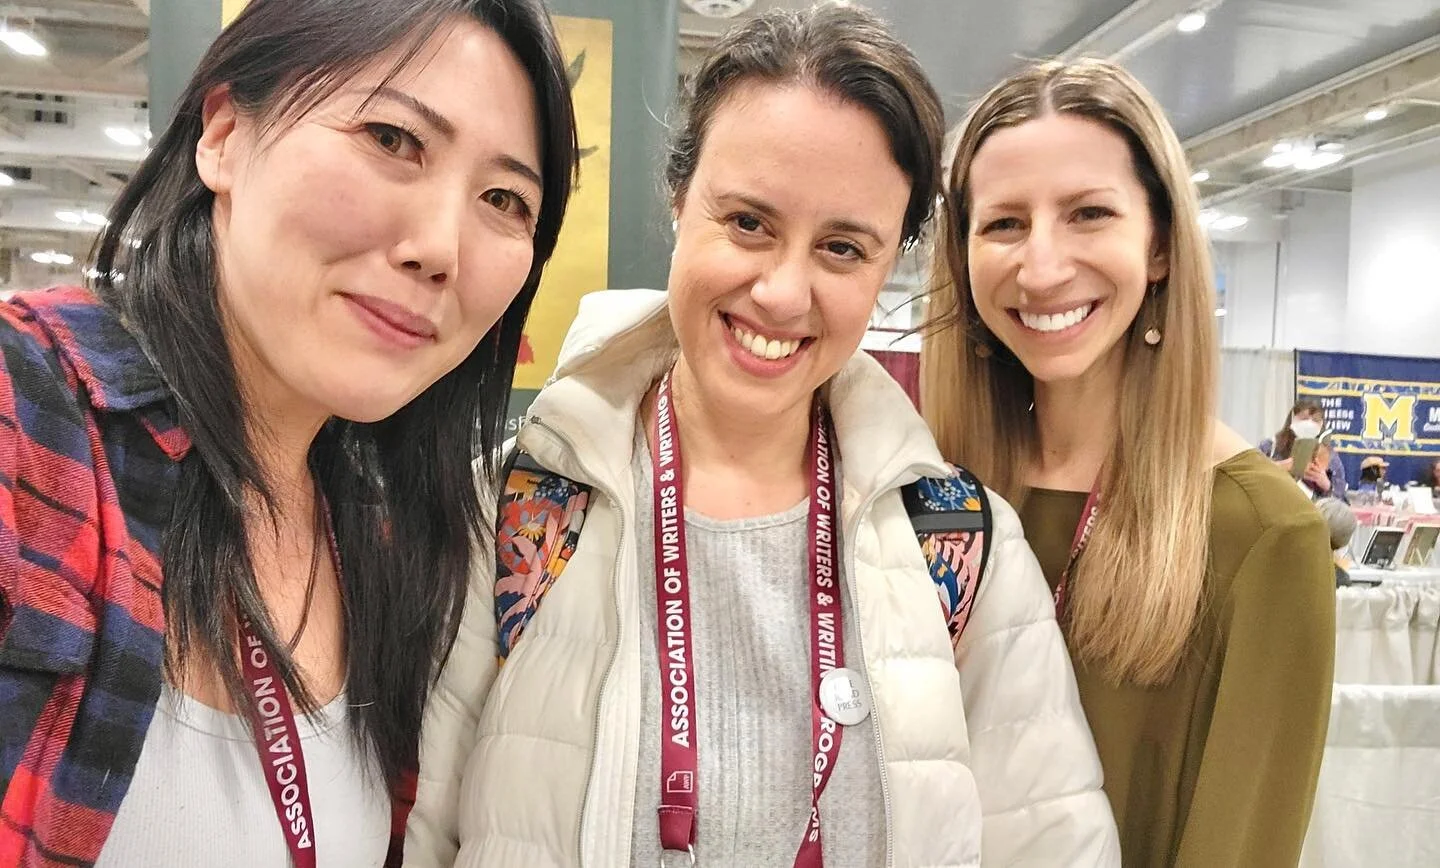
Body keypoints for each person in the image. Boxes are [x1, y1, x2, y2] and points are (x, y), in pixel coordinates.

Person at [408, 6, 1119, 867]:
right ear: (679, 202)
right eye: (747, 222)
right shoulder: (517, 511)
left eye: (844, 248)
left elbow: (1052, 846)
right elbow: (426, 832)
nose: (783, 294)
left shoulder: (961, 546)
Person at [0, 1, 577, 866]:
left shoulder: (392, 540)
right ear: (226, 134)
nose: (439, 247)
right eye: (393, 139)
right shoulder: (29, 423)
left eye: (503, 199)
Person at [920, 58, 1335, 867]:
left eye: (1088, 214)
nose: (1041, 267)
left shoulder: (1260, 534)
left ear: (1159, 248)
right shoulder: (937, 498)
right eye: (1004, 224)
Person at [1259, 398, 1348, 500]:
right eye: (1304, 418)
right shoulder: (1270, 447)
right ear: (1293, 418)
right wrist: (1279, 467)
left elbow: (1341, 499)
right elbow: (1250, 475)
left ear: (1322, 424)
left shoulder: (1330, 456)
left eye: (1315, 420)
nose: (1309, 424)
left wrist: (1326, 484)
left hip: (1312, 511)